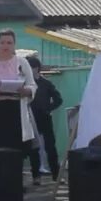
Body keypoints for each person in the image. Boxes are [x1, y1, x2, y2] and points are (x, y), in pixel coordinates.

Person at [0, 29, 37, 157]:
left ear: (14, 44)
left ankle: (15, 176)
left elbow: (32, 84)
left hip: (16, 110)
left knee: (16, 151)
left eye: (9, 43)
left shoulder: (22, 62)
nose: (5, 46)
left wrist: (26, 91)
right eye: (2, 42)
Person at [26, 56, 63, 184]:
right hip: (30, 119)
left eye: (31, 67)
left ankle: (56, 175)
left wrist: (48, 109)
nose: (30, 70)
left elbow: (58, 100)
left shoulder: (46, 83)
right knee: (33, 149)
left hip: (45, 118)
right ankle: (36, 176)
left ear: (37, 68)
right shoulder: (25, 85)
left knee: (50, 147)